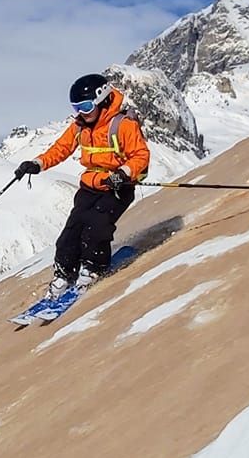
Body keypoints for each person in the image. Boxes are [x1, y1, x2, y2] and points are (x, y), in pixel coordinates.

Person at [16, 73, 150, 296]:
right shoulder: (80, 126)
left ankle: (92, 268)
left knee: (97, 226)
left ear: (102, 99)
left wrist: (123, 173)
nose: (81, 113)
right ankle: (64, 274)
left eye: (86, 106)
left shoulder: (122, 125)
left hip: (116, 186)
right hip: (90, 186)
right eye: (76, 107)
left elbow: (140, 155)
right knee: (72, 231)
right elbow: (61, 149)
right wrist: (37, 164)